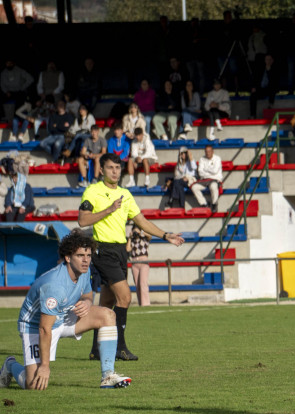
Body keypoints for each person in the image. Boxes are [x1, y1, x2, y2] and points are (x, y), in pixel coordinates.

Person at [77, 153, 185, 361]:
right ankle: (119, 347)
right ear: (101, 170)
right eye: (110, 168)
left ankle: (96, 349)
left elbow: (142, 221)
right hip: (102, 249)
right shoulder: (93, 191)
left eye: (118, 168)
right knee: (125, 297)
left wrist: (165, 235)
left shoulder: (125, 194)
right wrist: (109, 209)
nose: (115, 171)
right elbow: (82, 220)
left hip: (120, 251)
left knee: (108, 301)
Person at [0, 229, 131, 391]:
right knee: (33, 385)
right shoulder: (54, 285)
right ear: (68, 258)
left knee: (108, 315)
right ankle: (10, 364)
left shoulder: (84, 271)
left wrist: (87, 302)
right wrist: (45, 366)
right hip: (35, 326)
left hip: (63, 317)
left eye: (88, 256)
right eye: (80, 256)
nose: (86, 260)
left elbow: (88, 293)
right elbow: (44, 328)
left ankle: (108, 375)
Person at [39, 101, 75, 165]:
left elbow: (66, 129)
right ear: (57, 107)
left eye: (62, 105)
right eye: (59, 105)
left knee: (57, 144)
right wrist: (62, 125)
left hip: (63, 136)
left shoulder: (69, 116)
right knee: (42, 143)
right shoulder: (53, 116)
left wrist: (56, 125)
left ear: (64, 106)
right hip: (53, 135)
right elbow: (50, 128)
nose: (60, 106)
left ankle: (55, 160)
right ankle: (58, 155)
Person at [191, 145, 223, 210]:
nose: (208, 153)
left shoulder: (217, 158)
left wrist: (205, 169)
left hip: (215, 179)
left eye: (209, 151)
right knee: (194, 187)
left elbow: (215, 171)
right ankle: (204, 204)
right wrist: (209, 172)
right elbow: (200, 172)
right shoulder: (202, 159)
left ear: (212, 151)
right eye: (206, 151)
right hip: (204, 180)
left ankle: (214, 204)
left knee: (213, 186)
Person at [127, 223, 151, 307]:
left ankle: (146, 304)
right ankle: (141, 303)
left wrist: (141, 233)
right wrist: (130, 238)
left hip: (143, 261)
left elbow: (150, 236)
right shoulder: (132, 240)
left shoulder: (144, 239)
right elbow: (127, 249)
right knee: (137, 285)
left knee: (143, 283)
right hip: (134, 262)